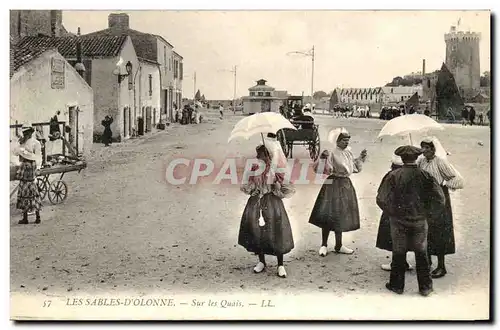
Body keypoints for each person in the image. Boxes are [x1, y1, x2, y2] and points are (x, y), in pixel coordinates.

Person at [377, 145, 445, 296]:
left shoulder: (393, 175)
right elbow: (440, 199)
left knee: (399, 252)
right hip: (420, 220)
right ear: (416, 158)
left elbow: (381, 199)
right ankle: (425, 287)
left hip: (398, 221)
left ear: (401, 158)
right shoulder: (425, 175)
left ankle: (397, 285)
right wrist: (429, 214)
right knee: (421, 252)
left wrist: (392, 213)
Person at [238, 144, 295, 278]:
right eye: (257, 154)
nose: (257, 156)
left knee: (276, 230)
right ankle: (261, 261)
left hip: (272, 202)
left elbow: (286, 187)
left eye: (261, 154)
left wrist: (276, 185)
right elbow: (247, 184)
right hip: (257, 201)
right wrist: (254, 188)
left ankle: (280, 264)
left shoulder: (276, 170)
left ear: (268, 155)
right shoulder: (254, 167)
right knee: (257, 231)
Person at [309, 128, 368, 256]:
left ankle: (339, 245)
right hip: (333, 184)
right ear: (338, 141)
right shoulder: (331, 153)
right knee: (328, 214)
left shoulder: (348, 153)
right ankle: (324, 244)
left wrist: (360, 158)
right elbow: (319, 169)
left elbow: (353, 168)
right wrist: (323, 158)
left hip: (345, 184)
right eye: (344, 141)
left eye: (347, 141)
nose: (346, 143)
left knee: (340, 215)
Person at [418, 137, 464, 278]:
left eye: (427, 148)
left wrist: (443, 185)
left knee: (439, 231)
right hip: (425, 200)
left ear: (433, 149)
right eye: (422, 147)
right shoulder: (421, 161)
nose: (424, 150)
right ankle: (428, 262)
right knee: (426, 230)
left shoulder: (441, 162)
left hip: (439, 200)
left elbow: (458, 179)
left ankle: (441, 266)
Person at [376, 155, 414, 271]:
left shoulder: (390, 176)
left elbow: (381, 195)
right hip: (408, 212)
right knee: (406, 237)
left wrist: (388, 209)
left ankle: (396, 263)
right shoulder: (411, 175)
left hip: (392, 211)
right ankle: (404, 262)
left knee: (394, 237)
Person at [15, 125, 43, 224]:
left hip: (31, 167)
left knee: (32, 192)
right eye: (24, 133)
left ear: (31, 133)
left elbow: (39, 157)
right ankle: (25, 218)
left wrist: (38, 168)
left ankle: (37, 217)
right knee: (24, 193)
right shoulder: (22, 142)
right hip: (24, 166)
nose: (25, 134)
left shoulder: (36, 143)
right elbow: (15, 152)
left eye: (27, 133)